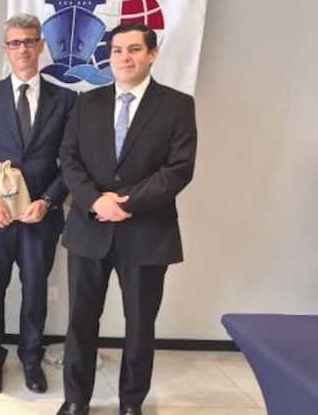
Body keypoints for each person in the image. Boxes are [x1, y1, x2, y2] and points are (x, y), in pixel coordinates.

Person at [56, 23, 197, 415]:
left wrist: (125, 202)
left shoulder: (177, 105)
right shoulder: (87, 103)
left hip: (146, 232)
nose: (124, 57)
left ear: (152, 54)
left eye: (134, 49)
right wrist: (94, 201)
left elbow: (179, 169)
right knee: (80, 320)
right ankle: (76, 399)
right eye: (117, 50)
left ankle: (132, 402)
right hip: (89, 229)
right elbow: (68, 158)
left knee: (139, 324)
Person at [0, 14, 76, 394]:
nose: (23, 49)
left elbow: (70, 162)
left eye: (30, 41)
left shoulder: (66, 99)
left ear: (41, 46)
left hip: (39, 217)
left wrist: (48, 200)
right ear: (5, 49)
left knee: (35, 292)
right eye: (15, 42)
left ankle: (31, 359)